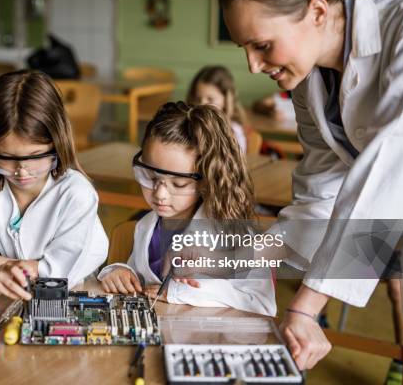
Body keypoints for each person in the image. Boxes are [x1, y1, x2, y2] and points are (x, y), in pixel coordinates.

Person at [219, 0, 403, 371]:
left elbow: (391, 176)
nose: (253, 66)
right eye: (245, 49)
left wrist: (307, 307)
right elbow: (320, 197)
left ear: (318, 12)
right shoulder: (309, 83)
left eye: (263, 45)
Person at [0, 70, 108, 301]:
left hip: (74, 300)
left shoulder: (77, 194)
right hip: (7, 306)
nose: (22, 171)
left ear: (58, 142)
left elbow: (59, 278)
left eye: (35, 156)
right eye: (6, 157)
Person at [97, 101, 276, 316]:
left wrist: (184, 292)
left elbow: (262, 304)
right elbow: (140, 280)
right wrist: (119, 272)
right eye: (152, 177)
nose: (160, 194)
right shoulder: (146, 226)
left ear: (206, 181)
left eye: (178, 184)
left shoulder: (235, 234)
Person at [186, 65, 248, 153]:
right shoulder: (187, 125)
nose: (201, 105)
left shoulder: (234, 132)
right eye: (198, 98)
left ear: (226, 100)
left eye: (210, 99)